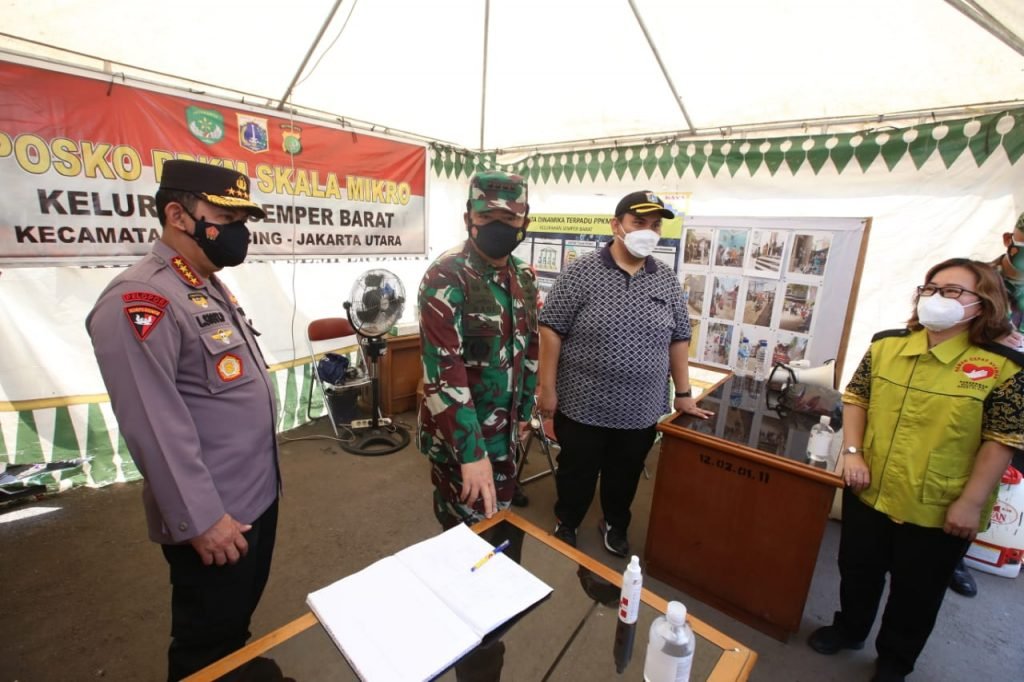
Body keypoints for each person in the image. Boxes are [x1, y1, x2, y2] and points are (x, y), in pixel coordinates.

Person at [86, 160, 279, 681]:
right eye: (227, 218)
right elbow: (152, 426)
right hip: (215, 515)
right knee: (203, 642)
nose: (239, 232)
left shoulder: (203, 283)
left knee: (232, 619)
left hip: (252, 495)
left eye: (242, 221)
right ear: (177, 215)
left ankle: (238, 664)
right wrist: (203, 519)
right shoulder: (140, 299)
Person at [808, 258, 1024, 682]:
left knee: (917, 591)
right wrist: (852, 453)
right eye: (930, 288)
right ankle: (849, 629)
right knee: (857, 569)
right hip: (869, 486)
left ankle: (894, 660)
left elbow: (1002, 440)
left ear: (982, 303)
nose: (937, 297)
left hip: (940, 504)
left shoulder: (1003, 368)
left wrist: (971, 502)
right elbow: (857, 398)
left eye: (952, 291)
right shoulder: (886, 346)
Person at [537, 190, 713, 557]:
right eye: (639, 222)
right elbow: (551, 328)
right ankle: (567, 521)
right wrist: (547, 388)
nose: (648, 231)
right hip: (582, 403)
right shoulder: (582, 272)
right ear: (616, 225)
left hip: (640, 409)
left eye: (655, 225)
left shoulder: (665, 279)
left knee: (626, 473)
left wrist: (684, 394)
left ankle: (615, 523)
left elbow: (679, 338)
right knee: (576, 471)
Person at [417, 171, 539, 530]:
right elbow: (443, 373)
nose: (497, 226)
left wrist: (525, 411)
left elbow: (530, 346)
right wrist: (471, 454)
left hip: (507, 433)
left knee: (498, 528)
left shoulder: (524, 276)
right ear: (467, 217)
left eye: (509, 218)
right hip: (460, 443)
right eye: (486, 216)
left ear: (524, 222)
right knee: (465, 537)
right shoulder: (446, 276)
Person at [948, 213, 1024, 598]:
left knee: (998, 477)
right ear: (1010, 238)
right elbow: (941, 327)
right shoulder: (980, 280)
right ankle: (947, 555)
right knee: (960, 469)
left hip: (1016, 396)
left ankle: (959, 553)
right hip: (974, 387)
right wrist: (989, 334)